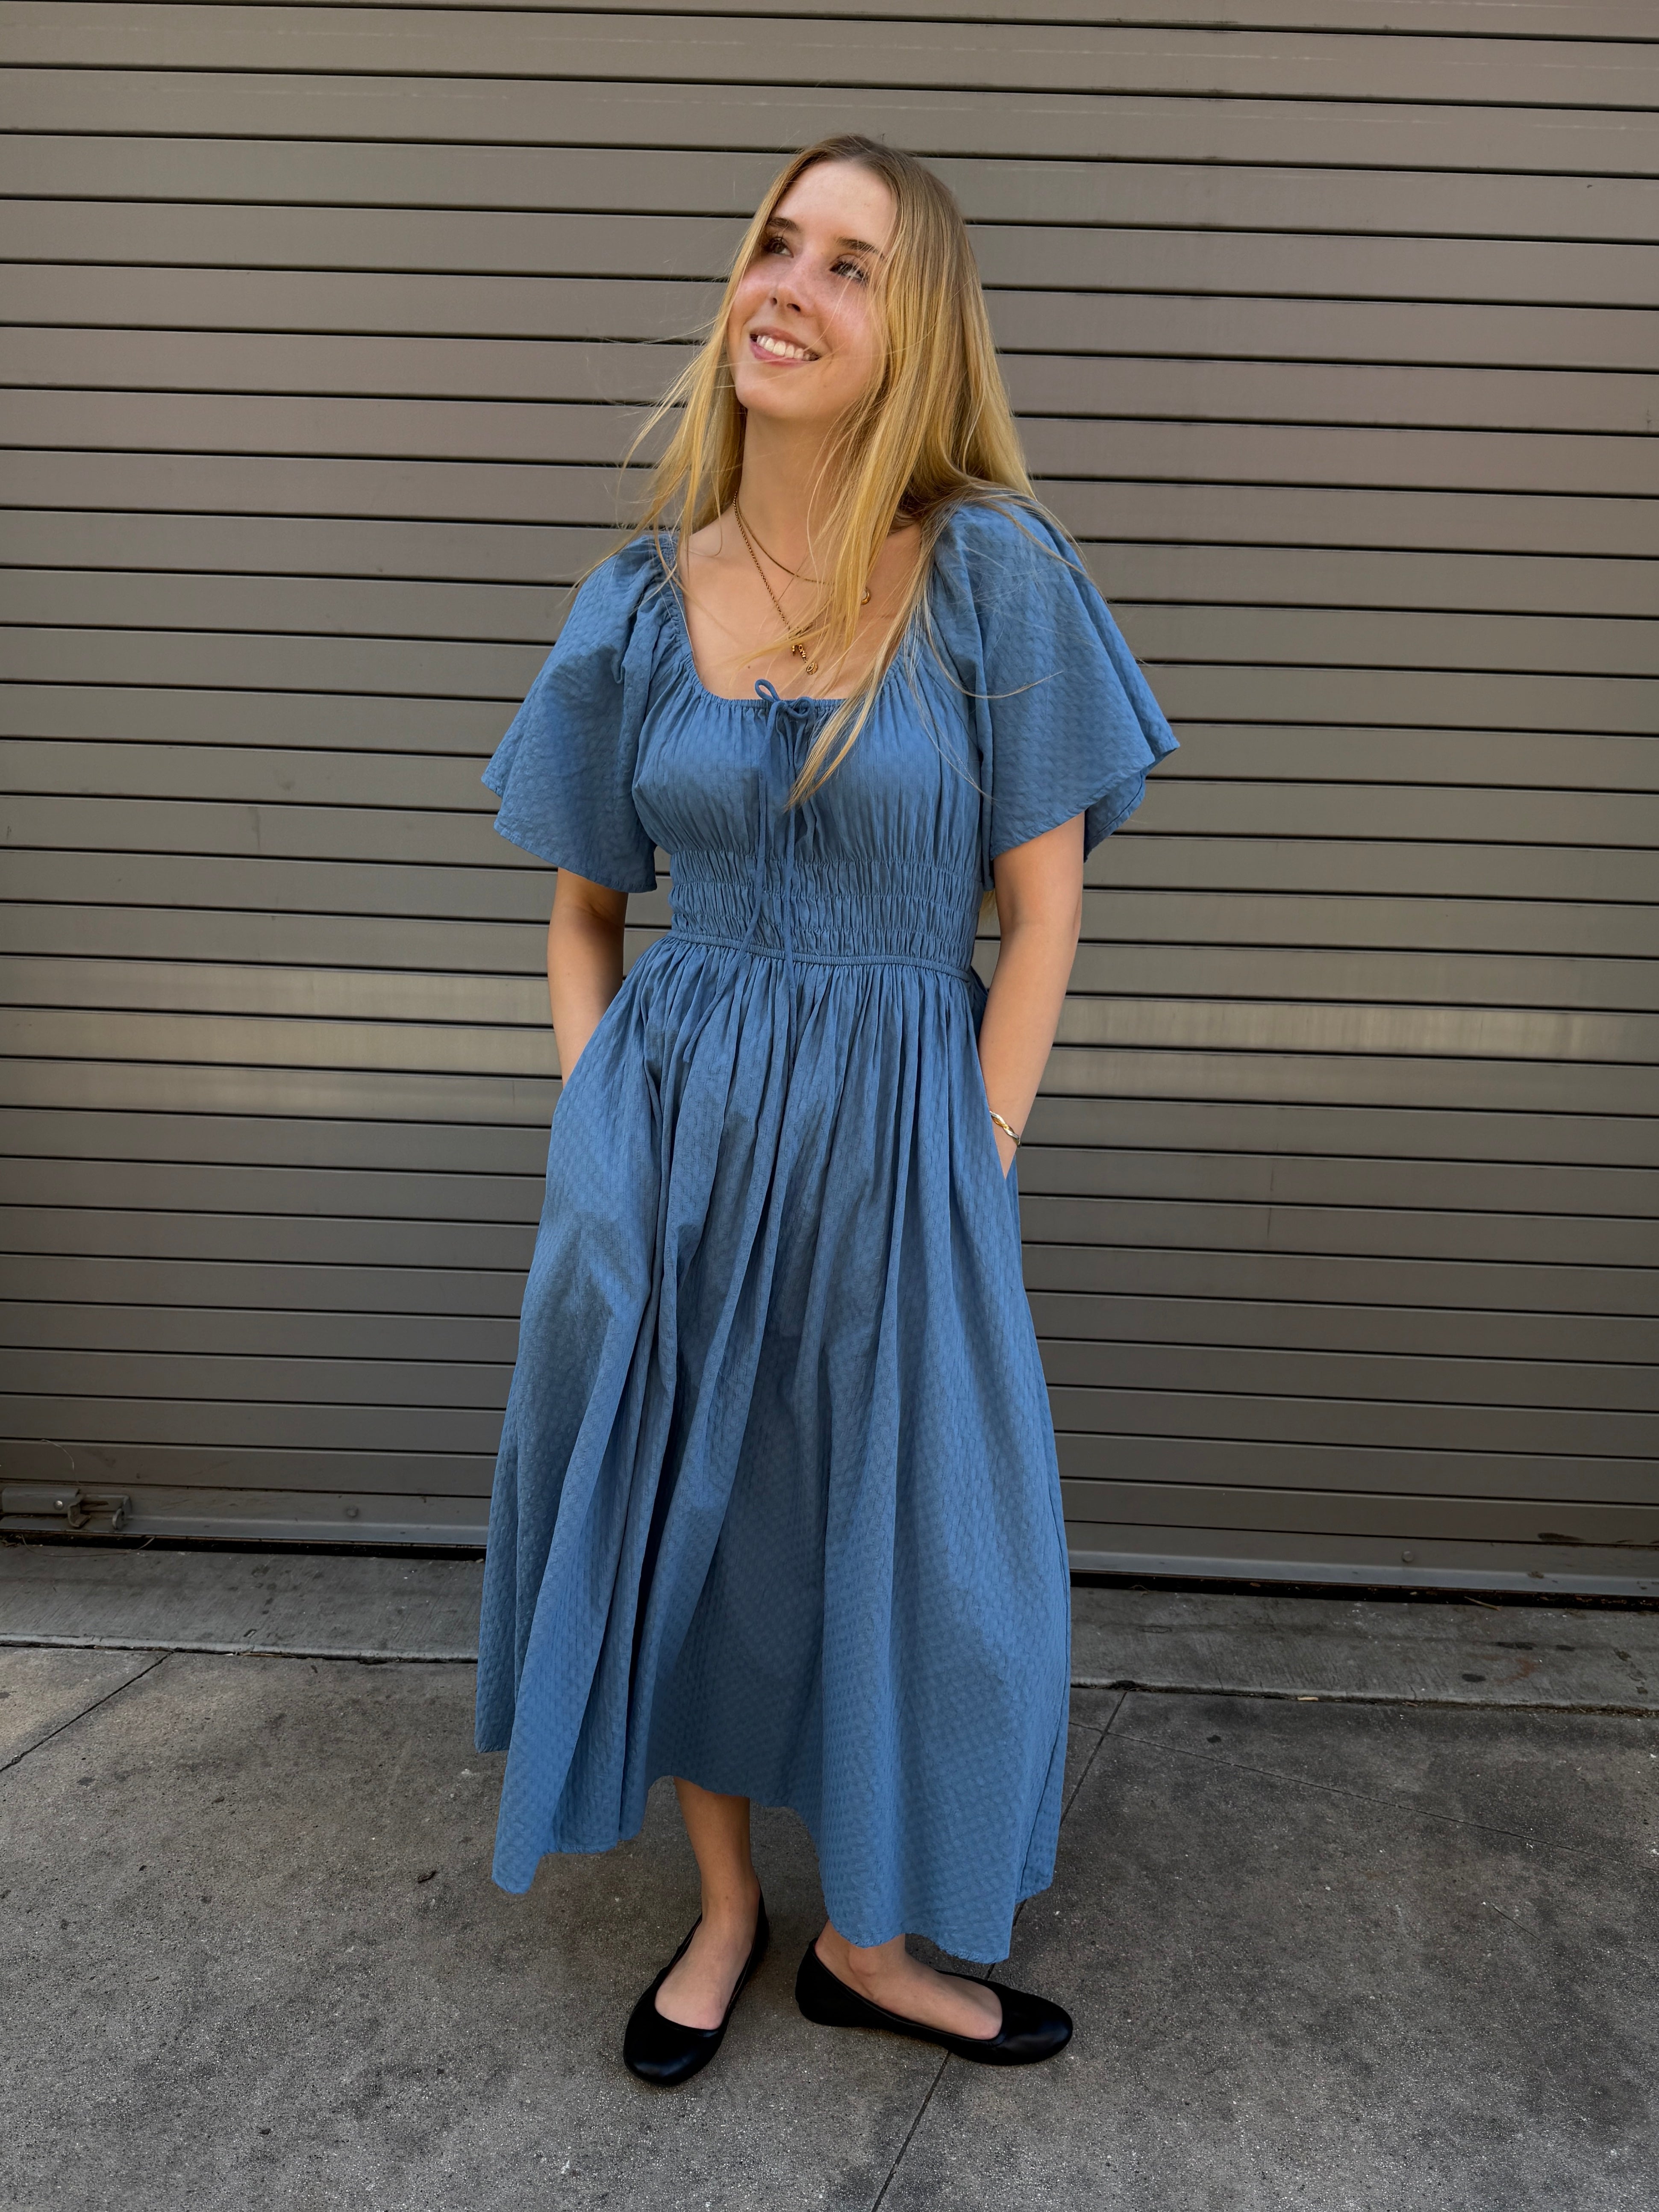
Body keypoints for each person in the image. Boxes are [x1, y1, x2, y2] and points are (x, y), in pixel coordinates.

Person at [473, 132, 1178, 2086]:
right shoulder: (641, 596)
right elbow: (580, 907)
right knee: (680, 1513)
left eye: (849, 264)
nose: (787, 282)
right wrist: (599, 1131)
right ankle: (725, 1910)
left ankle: (867, 1932)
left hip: (903, 1123)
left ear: (913, 325)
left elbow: (1041, 912)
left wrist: (978, 1152)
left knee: (912, 1542)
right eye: (774, 243)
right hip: (674, 1123)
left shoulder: (992, 575)